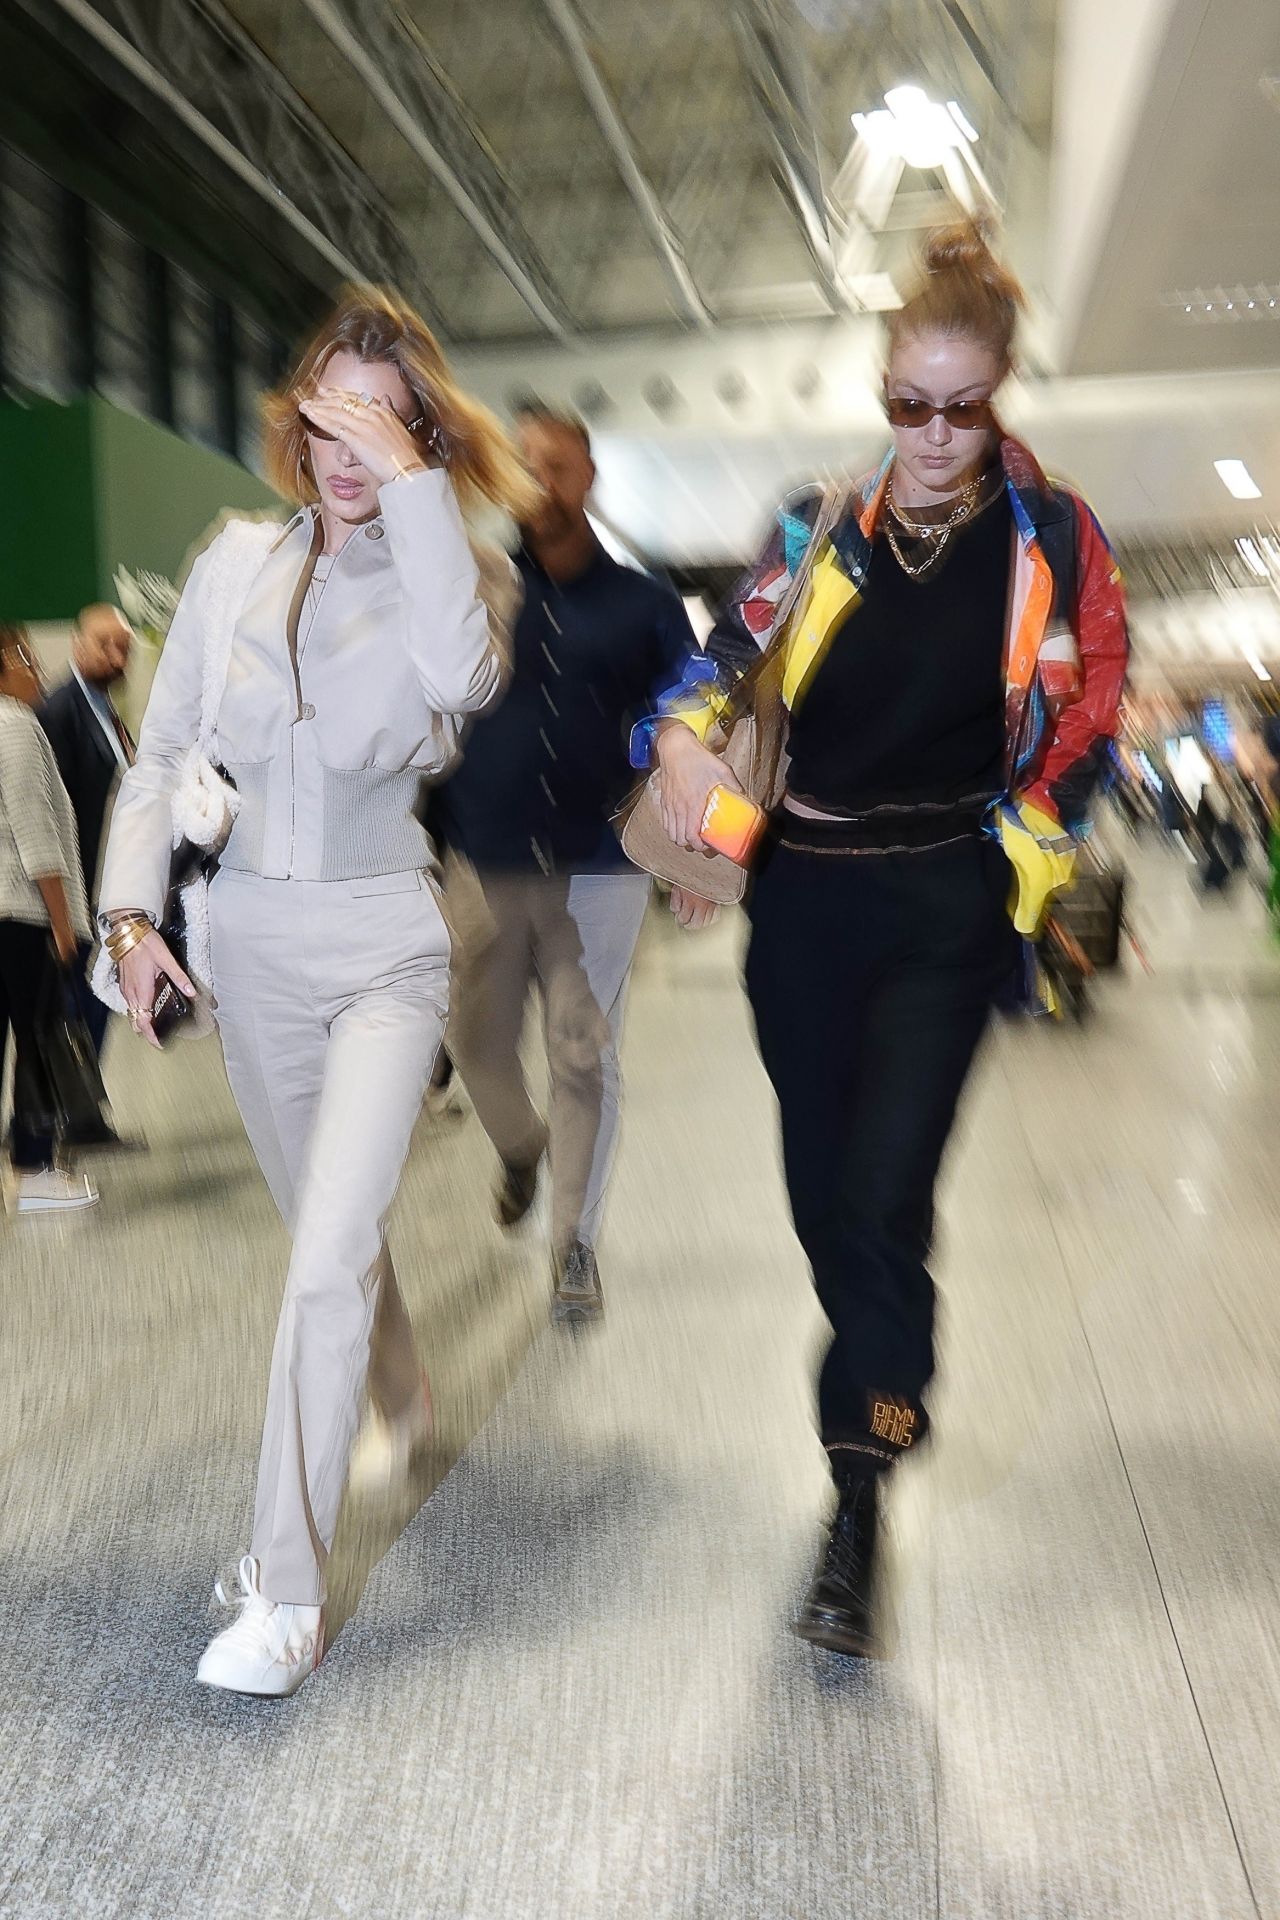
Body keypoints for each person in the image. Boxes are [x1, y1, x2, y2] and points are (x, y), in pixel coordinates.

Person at [644, 222, 1128, 1656]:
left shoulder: (1052, 539)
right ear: (882, 394)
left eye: (961, 406)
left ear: (1000, 396)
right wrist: (676, 743)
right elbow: (714, 663)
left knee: (886, 1186)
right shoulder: (817, 526)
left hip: (947, 910)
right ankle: (879, 1410)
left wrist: (1030, 859)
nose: (931, 434)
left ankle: (862, 1482)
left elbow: (1091, 707)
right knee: (825, 1199)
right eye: (906, 403)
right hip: (804, 906)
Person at [95, 288, 533, 1698]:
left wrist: (417, 494)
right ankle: (401, 1391)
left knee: (328, 1248)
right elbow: (160, 757)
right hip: (251, 954)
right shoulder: (228, 564)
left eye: (383, 420)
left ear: (417, 437)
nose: (347, 446)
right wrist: (126, 909)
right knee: (325, 1239)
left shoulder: (458, 580)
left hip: (385, 950)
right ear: (293, 420)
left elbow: (463, 681)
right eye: (328, 414)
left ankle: (288, 1591)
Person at [433, 405, 697, 1323]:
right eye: (526, 465)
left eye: (559, 465)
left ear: (587, 478)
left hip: (600, 869)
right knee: (474, 1041)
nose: (542, 480)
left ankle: (574, 1240)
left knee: (582, 1056)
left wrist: (693, 849)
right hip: (485, 860)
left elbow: (692, 722)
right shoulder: (477, 590)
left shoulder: (648, 607)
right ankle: (519, 1145)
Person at [0, 625, 98, 1213]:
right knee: (37, 1039)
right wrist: (62, 925)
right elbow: (36, 837)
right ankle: (34, 1168)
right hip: (20, 914)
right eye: (26, 658)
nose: (38, 669)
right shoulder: (14, 727)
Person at [38, 606, 135, 1140]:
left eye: (123, 647)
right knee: (76, 1003)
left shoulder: (103, 708)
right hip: (72, 888)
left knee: (95, 999)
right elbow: (46, 809)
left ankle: (77, 1115)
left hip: (104, 883)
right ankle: (58, 1120)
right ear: (77, 644)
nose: (116, 656)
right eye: (105, 644)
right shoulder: (60, 711)